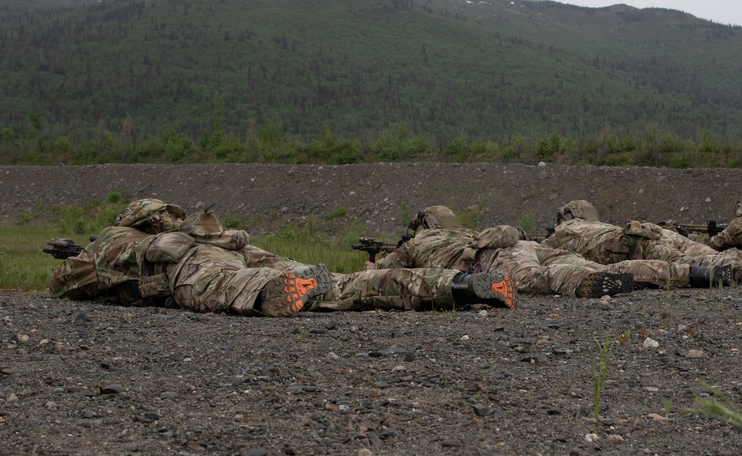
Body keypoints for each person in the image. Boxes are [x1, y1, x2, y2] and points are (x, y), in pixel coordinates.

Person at [49, 199, 515, 315]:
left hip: (191, 266)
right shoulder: (197, 230)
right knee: (344, 283)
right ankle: (451, 286)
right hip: (240, 249)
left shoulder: (114, 239)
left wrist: (79, 258)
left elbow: (66, 282)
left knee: (220, 286)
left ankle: (277, 293)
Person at [373, 205, 732, 295]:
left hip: (496, 258)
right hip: (527, 244)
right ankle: (692, 274)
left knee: (545, 278)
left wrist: (373, 261)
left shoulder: (420, 243)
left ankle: (582, 282)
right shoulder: (468, 231)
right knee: (583, 263)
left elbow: (380, 271)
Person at [541, 199, 742, 280]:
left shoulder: (563, 232)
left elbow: (543, 254)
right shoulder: (597, 224)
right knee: (700, 251)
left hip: (631, 244)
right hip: (652, 232)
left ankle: (740, 269)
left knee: (703, 260)